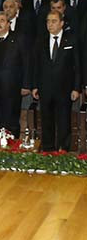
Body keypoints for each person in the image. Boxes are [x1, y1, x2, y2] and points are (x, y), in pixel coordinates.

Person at [33, 11, 80, 151]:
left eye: (53, 21)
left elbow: (77, 66)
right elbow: (36, 65)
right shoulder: (40, 40)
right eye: (48, 21)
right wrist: (35, 86)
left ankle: (63, 150)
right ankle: (48, 150)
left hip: (65, 88)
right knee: (46, 120)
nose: (50, 24)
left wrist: (76, 88)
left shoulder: (71, 40)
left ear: (61, 23)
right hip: (45, 88)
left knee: (64, 121)